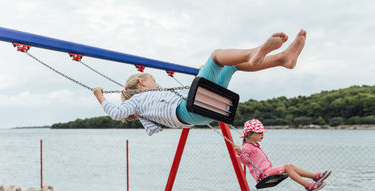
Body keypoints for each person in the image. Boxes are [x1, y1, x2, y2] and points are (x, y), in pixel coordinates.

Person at [93, 30, 307, 136]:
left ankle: (281, 60)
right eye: (154, 81)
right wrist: (100, 96)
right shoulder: (138, 102)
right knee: (216, 56)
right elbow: (116, 113)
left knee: (230, 65)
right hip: (190, 110)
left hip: (203, 113)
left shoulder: (147, 103)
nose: (157, 85)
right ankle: (254, 52)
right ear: (141, 83)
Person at [234, 119, 331, 191]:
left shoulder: (254, 145)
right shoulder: (247, 147)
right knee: (287, 167)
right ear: (249, 134)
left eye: (262, 132)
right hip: (262, 174)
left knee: (290, 166)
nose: (262, 135)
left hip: (267, 170)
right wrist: (238, 153)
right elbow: (244, 161)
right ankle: (308, 186)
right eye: (259, 133)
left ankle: (315, 177)